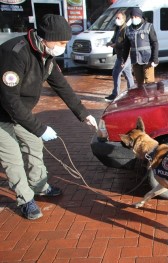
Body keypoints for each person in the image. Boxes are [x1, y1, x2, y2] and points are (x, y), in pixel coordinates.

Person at [0, 14, 98, 220]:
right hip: (2, 113)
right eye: (61, 42)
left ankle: (39, 185)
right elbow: (9, 99)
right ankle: (25, 199)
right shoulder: (15, 53)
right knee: (13, 159)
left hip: (19, 112)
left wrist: (84, 114)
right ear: (46, 37)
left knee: (34, 144)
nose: (64, 46)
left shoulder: (47, 55)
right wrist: (40, 128)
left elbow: (62, 86)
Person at [122, 7, 159, 89]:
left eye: (136, 17)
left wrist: (155, 59)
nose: (134, 19)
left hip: (147, 60)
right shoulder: (128, 30)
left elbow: (155, 43)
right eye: (132, 17)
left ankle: (151, 100)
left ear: (140, 16)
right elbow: (126, 46)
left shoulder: (148, 26)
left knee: (150, 84)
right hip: (135, 61)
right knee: (140, 84)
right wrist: (123, 60)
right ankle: (142, 100)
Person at [105, 11, 135, 102]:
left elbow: (126, 45)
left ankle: (115, 94)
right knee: (128, 74)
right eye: (116, 18)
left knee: (116, 73)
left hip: (124, 56)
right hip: (120, 55)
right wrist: (110, 42)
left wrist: (115, 45)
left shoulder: (126, 30)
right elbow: (114, 39)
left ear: (124, 19)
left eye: (118, 18)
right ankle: (133, 93)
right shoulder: (118, 29)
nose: (116, 20)